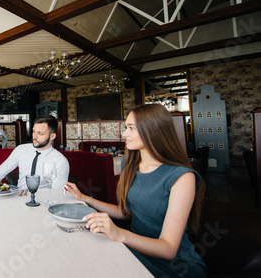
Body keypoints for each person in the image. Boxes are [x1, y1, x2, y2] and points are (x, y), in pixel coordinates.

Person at [64, 104, 206, 278]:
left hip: (174, 266)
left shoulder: (182, 177)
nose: (124, 134)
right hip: (133, 248)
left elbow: (168, 248)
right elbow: (125, 212)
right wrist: (84, 198)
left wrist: (119, 233)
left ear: (153, 130)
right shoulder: (129, 164)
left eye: (130, 128)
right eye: (126, 127)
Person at [0, 115, 69, 190]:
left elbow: (57, 194)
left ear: (52, 136)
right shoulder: (21, 150)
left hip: (42, 204)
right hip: (19, 199)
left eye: (40, 133)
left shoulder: (60, 161)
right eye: (33, 132)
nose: (34, 137)